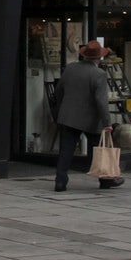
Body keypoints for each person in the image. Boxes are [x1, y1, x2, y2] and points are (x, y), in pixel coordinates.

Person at [51, 41, 123, 192]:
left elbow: (58, 91)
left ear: (84, 55)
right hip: (90, 119)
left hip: (68, 116)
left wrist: (63, 108)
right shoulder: (99, 74)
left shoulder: (70, 69)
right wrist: (107, 122)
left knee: (66, 151)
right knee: (98, 149)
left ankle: (60, 182)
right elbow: (101, 101)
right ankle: (105, 180)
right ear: (99, 58)